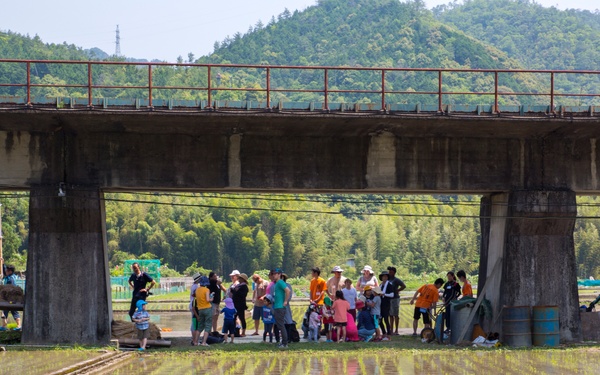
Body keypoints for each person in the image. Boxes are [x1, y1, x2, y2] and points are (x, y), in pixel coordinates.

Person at [272, 268, 291, 348]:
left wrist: (285, 301)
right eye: (273, 274)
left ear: (279, 274)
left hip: (280, 307)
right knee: (280, 325)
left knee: (281, 325)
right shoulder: (277, 283)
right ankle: (283, 342)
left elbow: (288, 291)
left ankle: (284, 343)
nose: (274, 275)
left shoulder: (280, 282)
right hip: (277, 306)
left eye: (275, 274)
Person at [193, 276, 214, 346]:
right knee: (208, 325)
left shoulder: (197, 290)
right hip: (207, 309)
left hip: (200, 310)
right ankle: (204, 342)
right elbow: (208, 300)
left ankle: (195, 342)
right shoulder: (206, 290)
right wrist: (212, 298)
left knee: (200, 326)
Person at [0, 262, 21, 330]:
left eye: (6, 270)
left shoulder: (10, 279)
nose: (5, 271)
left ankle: (19, 325)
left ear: (10, 271)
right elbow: (3, 269)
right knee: (4, 310)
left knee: (13, 310)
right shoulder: (10, 276)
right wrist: (2, 263)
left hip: (11, 298)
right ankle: (4, 326)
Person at [387, 266, 406, 335]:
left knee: (395, 314)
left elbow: (404, 286)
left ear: (394, 273)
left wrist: (397, 290)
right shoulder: (387, 279)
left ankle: (396, 330)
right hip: (389, 298)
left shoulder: (396, 280)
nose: (390, 273)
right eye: (389, 272)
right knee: (390, 315)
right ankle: (391, 330)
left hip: (395, 298)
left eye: (391, 272)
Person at [231, 273, 249, 337]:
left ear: (243, 279)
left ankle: (243, 332)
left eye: (240, 278)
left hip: (240, 304)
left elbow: (243, 295)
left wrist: (236, 291)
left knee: (242, 318)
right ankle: (233, 331)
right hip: (235, 304)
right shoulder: (238, 286)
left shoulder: (244, 286)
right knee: (234, 318)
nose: (238, 279)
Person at [378, 271, 394, 341]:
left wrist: (384, 294)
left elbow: (392, 295)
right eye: (383, 276)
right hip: (380, 304)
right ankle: (384, 332)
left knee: (386, 318)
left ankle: (389, 332)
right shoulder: (380, 285)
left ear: (387, 277)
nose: (384, 278)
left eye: (386, 276)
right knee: (380, 319)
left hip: (386, 304)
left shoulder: (390, 285)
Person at [189, 272, 202, 345]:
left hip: (192, 304)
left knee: (193, 322)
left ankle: (194, 339)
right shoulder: (196, 287)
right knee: (195, 323)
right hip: (194, 305)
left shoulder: (193, 286)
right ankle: (194, 339)